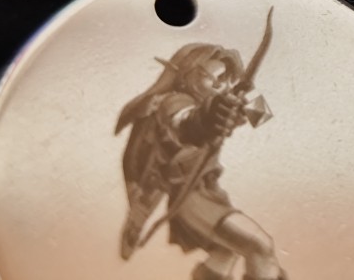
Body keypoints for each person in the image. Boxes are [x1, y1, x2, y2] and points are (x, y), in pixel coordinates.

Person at [116, 43, 287, 280]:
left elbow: (262, 116)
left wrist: (246, 90)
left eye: (225, 79)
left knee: (225, 253)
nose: (220, 85)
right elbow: (188, 122)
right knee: (260, 246)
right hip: (190, 198)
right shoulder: (173, 102)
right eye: (213, 77)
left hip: (210, 194)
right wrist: (210, 114)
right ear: (188, 75)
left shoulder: (218, 100)